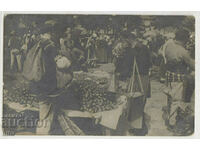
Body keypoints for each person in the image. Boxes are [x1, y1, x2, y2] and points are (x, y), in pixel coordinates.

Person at [160, 29, 195, 130]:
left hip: (169, 76)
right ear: (185, 39)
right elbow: (193, 65)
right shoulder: (182, 51)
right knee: (177, 100)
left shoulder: (168, 46)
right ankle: (173, 123)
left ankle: (171, 119)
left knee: (170, 99)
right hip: (179, 78)